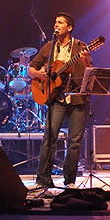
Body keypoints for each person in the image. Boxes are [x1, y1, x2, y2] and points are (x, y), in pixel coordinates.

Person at [28, 12, 93, 189]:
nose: (56, 25)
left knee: (74, 142)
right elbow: (31, 69)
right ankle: (42, 180)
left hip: (77, 99)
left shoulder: (80, 46)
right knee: (49, 138)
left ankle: (69, 181)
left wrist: (84, 60)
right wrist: (40, 73)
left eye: (60, 22)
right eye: (55, 22)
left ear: (69, 27)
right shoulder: (49, 47)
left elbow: (90, 72)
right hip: (56, 98)